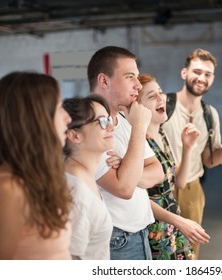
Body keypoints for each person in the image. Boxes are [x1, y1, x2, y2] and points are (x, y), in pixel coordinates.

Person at [87, 46, 210, 260]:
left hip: (140, 233)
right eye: (129, 77)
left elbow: (157, 172)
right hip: (117, 239)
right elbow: (124, 188)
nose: (136, 85)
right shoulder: (92, 125)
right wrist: (139, 127)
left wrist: (126, 169)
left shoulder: (123, 124)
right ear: (104, 81)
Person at [0, 71, 72, 259]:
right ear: (34, 119)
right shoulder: (6, 187)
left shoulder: (35, 177)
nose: (68, 117)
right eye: (60, 107)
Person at [162, 48, 222, 257]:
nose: (202, 78)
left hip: (192, 190)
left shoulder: (210, 114)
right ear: (184, 73)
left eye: (208, 74)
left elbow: (209, 160)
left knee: (189, 251)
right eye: (197, 72)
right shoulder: (163, 105)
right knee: (160, 250)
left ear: (213, 79)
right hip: (160, 189)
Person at [137, 73, 200, 260]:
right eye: (151, 96)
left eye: (160, 92)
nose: (161, 98)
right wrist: (179, 221)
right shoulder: (138, 142)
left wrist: (187, 148)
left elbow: (178, 183)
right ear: (137, 108)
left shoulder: (162, 134)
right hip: (155, 232)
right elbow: (138, 198)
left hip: (173, 226)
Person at [63, 94, 120, 259]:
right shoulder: (76, 192)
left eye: (109, 119)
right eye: (102, 121)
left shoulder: (83, 177)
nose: (111, 127)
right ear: (75, 135)